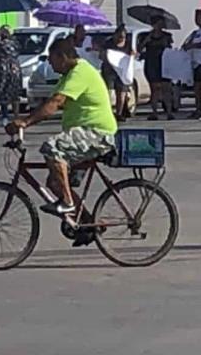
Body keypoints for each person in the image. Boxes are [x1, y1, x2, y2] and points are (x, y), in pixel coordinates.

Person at [6, 37, 117, 244]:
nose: (50, 63)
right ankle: (88, 223)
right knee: (54, 182)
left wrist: (26, 122)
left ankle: (68, 202)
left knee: (52, 148)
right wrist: (23, 120)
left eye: (51, 59)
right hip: (86, 134)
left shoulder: (79, 73)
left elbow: (55, 103)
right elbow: (48, 102)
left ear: (63, 57)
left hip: (97, 134)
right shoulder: (68, 75)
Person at [138, 16, 175, 121]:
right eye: (157, 23)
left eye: (161, 24)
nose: (159, 26)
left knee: (166, 89)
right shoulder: (146, 36)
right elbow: (139, 49)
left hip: (164, 64)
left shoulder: (167, 36)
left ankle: (169, 112)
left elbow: (170, 49)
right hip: (152, 64)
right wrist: (146, 40)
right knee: (154, 90)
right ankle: (154, 112)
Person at [0, 27, 21, 128]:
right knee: (15, 94)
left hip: (2, 68)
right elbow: (18, 51)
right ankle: (16, 117)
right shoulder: (15, 43)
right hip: (15, 69)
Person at [100, 25, 133, 122]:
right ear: (115, 35)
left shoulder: (128, 44)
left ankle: (119, 113)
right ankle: (108, 112)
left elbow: (133, 54)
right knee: (108, 92)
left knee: (121, 92)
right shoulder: (108, 43)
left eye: (123, 37)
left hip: (122, 71)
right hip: (109, 69)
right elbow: (101, 55)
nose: (121, 39)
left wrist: (132, 55)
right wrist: (105, 55)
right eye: (119, 37)